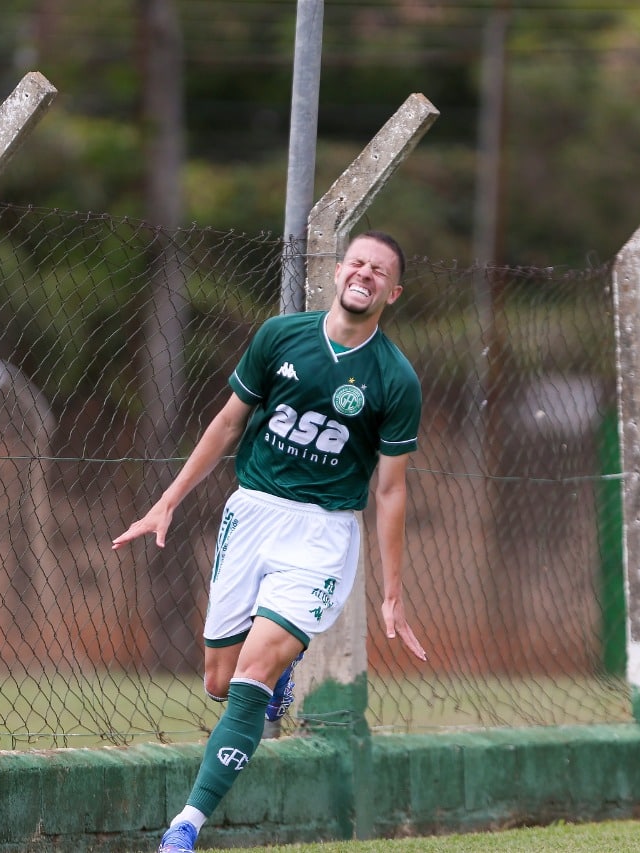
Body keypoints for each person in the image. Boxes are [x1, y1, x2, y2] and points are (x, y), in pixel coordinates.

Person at [112, 230, 428, 853]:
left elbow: (390, 492)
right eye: (357, 262)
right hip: (253, 514)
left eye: (380, 270)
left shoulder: (395, 380)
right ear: (338, 272)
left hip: (323, 534)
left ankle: (186, 826)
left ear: (393, 291)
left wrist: (392, 592)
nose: (365, 274)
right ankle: (272, 684)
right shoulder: (279, 336)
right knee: (220, 682)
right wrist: (167, 500)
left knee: (253, 673)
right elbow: (229, 421)